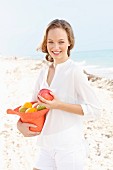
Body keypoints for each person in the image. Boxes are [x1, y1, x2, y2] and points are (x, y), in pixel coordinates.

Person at [17, 19, 101, 170]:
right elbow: (32, 108)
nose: (55, 47)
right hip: (46, 146)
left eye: (61, 41)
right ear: (46, 43)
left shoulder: (74, 71)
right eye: (51, 42)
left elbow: (95, 110)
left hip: (69, 148)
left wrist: (59, 105)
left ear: (69, 42)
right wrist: (20, 124)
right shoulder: (43, 73)